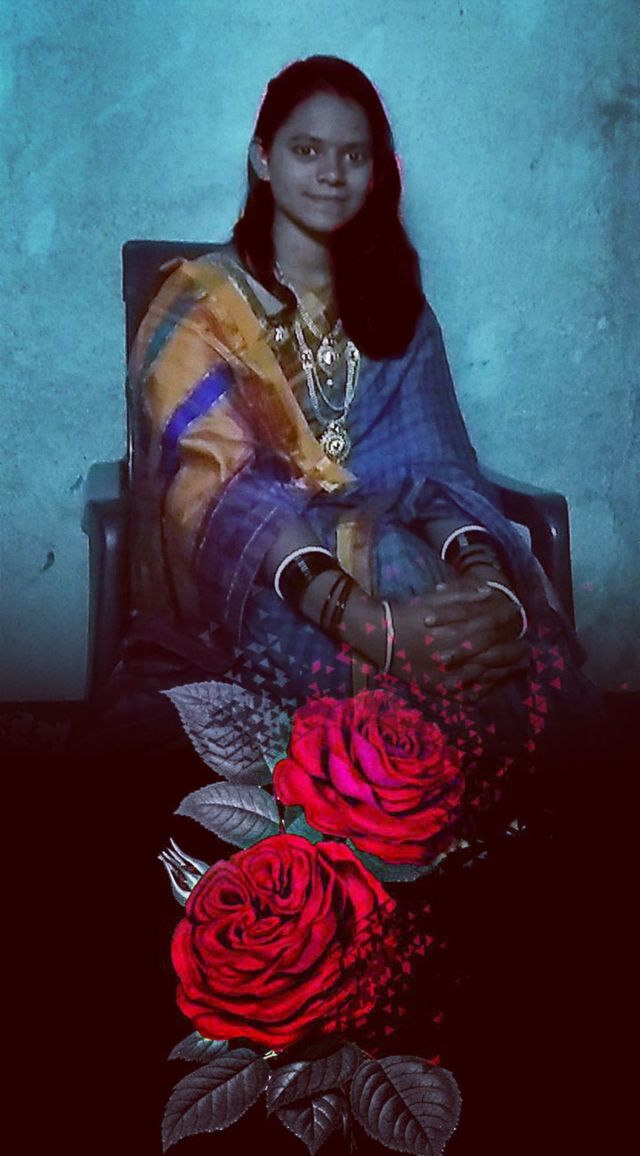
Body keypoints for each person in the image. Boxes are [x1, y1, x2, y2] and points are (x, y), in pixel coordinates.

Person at [123, 54, 601, 777]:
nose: (331, 174)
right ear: (262, 159)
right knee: (395, 586)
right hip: (261, 585)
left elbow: (437, 474)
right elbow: (222, 501)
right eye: (306, 150)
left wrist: (488, 592)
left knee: (454, 607)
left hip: (397, 563)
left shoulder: (395, 306)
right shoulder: (202, 308)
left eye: (354, 156)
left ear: (378, 173)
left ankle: (498, 828)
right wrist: (375, 629)